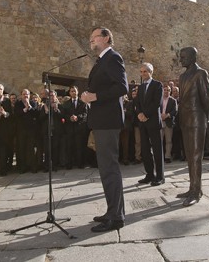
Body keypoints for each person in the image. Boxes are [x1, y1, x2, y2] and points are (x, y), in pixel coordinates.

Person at [81, 27, 128, 232]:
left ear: (107, 38)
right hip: (101, 121)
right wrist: (88, 95)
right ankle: (113, 211)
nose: (91, 41)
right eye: (90, 38)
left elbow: (122, 87)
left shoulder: (113, 58)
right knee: (105, 169)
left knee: (109, 169)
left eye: (94, 37)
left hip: (108, 122)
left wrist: (95, 97)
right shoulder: (102, 60)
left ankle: (116, 217)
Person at [176, 47, 209, 207]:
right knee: (190, 156)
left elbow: (206, 98)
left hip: (198, 119)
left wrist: (206, 118)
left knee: (196, 156)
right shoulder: (182, 76)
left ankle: (196, 192)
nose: (181, 60)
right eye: (180, 57)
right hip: (186, 120)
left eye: (183, 57)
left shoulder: (200, 73)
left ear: (192, 57)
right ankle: (192, 187)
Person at [135, 62, 164, 186]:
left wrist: (145, 114)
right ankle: (149, 175)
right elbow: (137, 103)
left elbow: (156, 103)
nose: (143, 74)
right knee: (145, 150)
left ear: (150, 72)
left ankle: (160, 177)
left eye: (145, 71)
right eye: (141, 72)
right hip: (143, 123)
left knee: (157, 150)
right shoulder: (140, 87)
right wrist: (139, 114)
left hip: (153, 122)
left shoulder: (157, 85)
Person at [62, 86, 89, 169]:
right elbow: (63, 114)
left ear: (78, 92)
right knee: (69, 146)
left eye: (75, 91)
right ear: (69, 93)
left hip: (79, 128)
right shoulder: (66, 104)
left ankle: (80, 164)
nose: (73, 92)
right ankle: (69, 164)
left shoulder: (83, 103)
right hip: (69, 128)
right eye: (72, 91)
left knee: (80, 146)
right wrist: (70, 118)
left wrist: (77, 117)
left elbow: (85, 114)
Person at [160, 84, 177, 163]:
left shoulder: (173, 100)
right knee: (159, 140)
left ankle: (167, 156)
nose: (166, 92)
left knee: (168, 141)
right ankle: (159, 156)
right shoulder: (159, 99)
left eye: (168, 90)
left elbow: (175, 111)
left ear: (170, 92)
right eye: (165, 90)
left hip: (168, 122)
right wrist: (160, 116)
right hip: (160, 122)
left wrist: (167, 115)